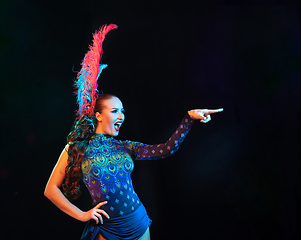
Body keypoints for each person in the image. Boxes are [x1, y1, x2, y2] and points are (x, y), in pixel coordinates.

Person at [44, 24, 223, 240]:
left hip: (138, 223)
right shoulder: (77, 147)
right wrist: (82, 215)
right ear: (98, 115)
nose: (121, 116)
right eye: (115, 111)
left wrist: (189, 119)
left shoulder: (126, 146)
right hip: (108, 229)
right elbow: (51, 189)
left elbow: (166, 149)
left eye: (123, 111)